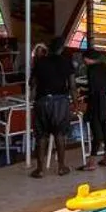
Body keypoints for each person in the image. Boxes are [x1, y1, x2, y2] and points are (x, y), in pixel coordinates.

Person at [30, 38, 75, 177]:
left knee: (41, 136)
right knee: (59, 134)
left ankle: (40, 170)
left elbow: (32, 83)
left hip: (42, 101)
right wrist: (75, 102)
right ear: (61, 48)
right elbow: (72, 85)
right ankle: (61, 167)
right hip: (60, 102)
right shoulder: (66, 62)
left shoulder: (40, 62)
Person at [83, 44, 106, 169]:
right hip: (104, 100)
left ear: (88, 58)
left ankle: (91, 162)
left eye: (84, 59)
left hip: (95, 101)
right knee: (105, 128)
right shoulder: (104, 67)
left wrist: (84, 94)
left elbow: (92, 88)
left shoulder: (90, 69)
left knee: (96, 131)